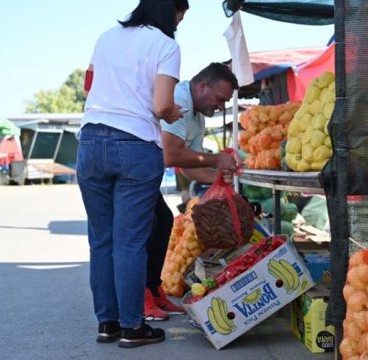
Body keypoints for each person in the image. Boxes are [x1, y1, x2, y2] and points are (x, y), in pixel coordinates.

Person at [77, 0, 189, 348]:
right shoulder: (166, 45)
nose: (177, 26)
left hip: (92, 141)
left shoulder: (106, 37)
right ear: (169, 12)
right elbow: (160, 103)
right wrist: (172, 113)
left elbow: (89, 86)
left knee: (102, 240)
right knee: (130, 241)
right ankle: (132, 326)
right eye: (179, 18)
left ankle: (107, 324)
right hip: (135, 145)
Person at [143, 63, 240, 320]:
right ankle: (141, 298)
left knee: (163, 222)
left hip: (147, 175)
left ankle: (154, 289)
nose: (220, 107)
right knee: (146, 230)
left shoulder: (197, 118)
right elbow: (170, 154)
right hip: (134, 171)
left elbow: (188, 167)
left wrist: (220, 180)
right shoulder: (180, 98)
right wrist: (216, 160)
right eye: (219, 99)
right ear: (202, 86)